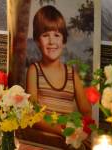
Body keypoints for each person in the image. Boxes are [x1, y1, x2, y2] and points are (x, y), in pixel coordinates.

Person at [26, 5, 92, 148]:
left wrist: (83, 131)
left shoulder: (71, 74)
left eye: (56, 35)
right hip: (43, 141)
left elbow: (86, 110)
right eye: (45, 35)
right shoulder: (34, 71)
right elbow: (33, 115)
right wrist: (62, 131)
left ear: (63, 40)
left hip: (67, 143)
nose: (51, 41)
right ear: (37, 40)